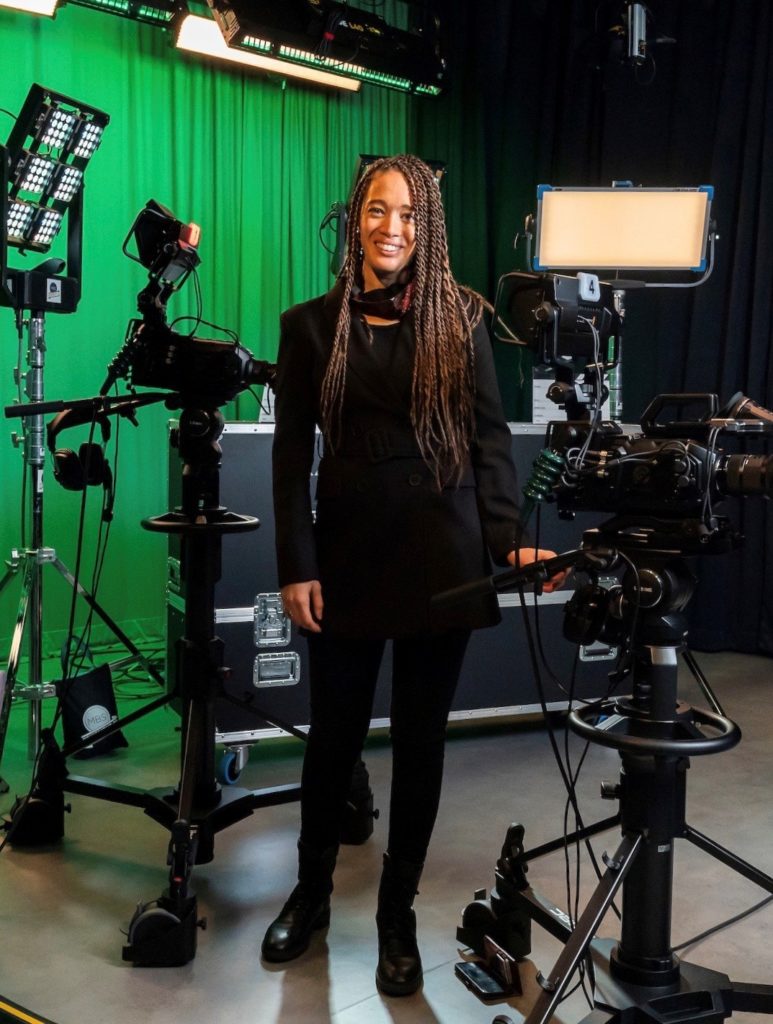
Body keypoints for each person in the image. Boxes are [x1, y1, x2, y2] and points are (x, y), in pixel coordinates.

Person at [262, 154, 566, 995]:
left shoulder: (460, 318)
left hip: (443, 557)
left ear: (425, 228)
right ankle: (311, 895)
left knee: (422, 746)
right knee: (332, 743)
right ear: (352, 219)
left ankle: (396, 915)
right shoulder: (308, 327)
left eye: (407, 215)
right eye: (375, 211)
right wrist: (297, 565)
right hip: (348, 559)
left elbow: (488, 439)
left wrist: (505, 543)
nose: (390, 228)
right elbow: (291, 464)